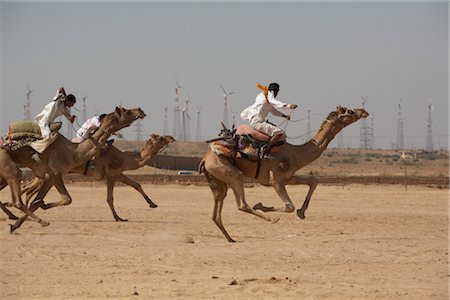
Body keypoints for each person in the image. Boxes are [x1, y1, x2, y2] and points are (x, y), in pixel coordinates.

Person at [240, 82, 297, 157]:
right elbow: (275, 103)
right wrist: (289, 106)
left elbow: (273, 111)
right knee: (279, 133)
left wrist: (284, 116)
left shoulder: (262, 96)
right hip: (258, 122)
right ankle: (265, 151)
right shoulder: (270, 95)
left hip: (255, 120)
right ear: (275, 92)